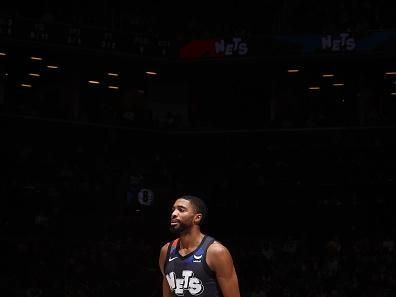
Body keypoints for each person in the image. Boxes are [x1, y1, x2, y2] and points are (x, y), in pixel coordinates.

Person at [159, 195, 241, 297]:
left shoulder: (216, 252)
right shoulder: (166, 251)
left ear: (197, 218)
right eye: (173, 210)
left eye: (181, 210)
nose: (174, 214)